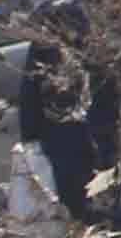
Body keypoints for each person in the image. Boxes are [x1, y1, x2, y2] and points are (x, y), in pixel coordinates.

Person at [19, 15, 114, 222]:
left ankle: (84, 219)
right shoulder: (103, 39)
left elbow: (29, 90)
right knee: (79, 188)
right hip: (71, 131)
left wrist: (29, 133)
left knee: (75, 187)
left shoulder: (47, 41)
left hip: (68, 131)